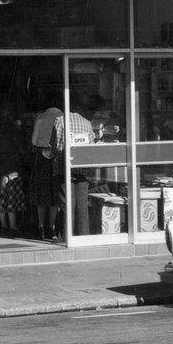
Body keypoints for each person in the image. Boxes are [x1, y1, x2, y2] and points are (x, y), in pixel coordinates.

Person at [52, 97, 95, 238]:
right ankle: (83, 236)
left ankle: (67, 237)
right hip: (83, 168)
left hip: (65, 168)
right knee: (82, 205)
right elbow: (91, 146)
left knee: (66, 204)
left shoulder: (60, 121)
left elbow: (56, 146)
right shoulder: (87, 123)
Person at [27, 97, 62, 240]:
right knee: (55, 195)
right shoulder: (62, 117)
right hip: (57, 156)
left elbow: (34, 141)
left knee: (41, 195)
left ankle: (41, 227)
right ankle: (51, 228)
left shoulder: (40, 117)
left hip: (41, 158)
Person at [0, 102, 27, 236]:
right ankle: (13, 227)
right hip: (12, 168)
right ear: (11, 115)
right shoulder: (13, 130)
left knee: (1, 197)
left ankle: (3, 226)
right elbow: (22, 149)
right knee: (11, 198)